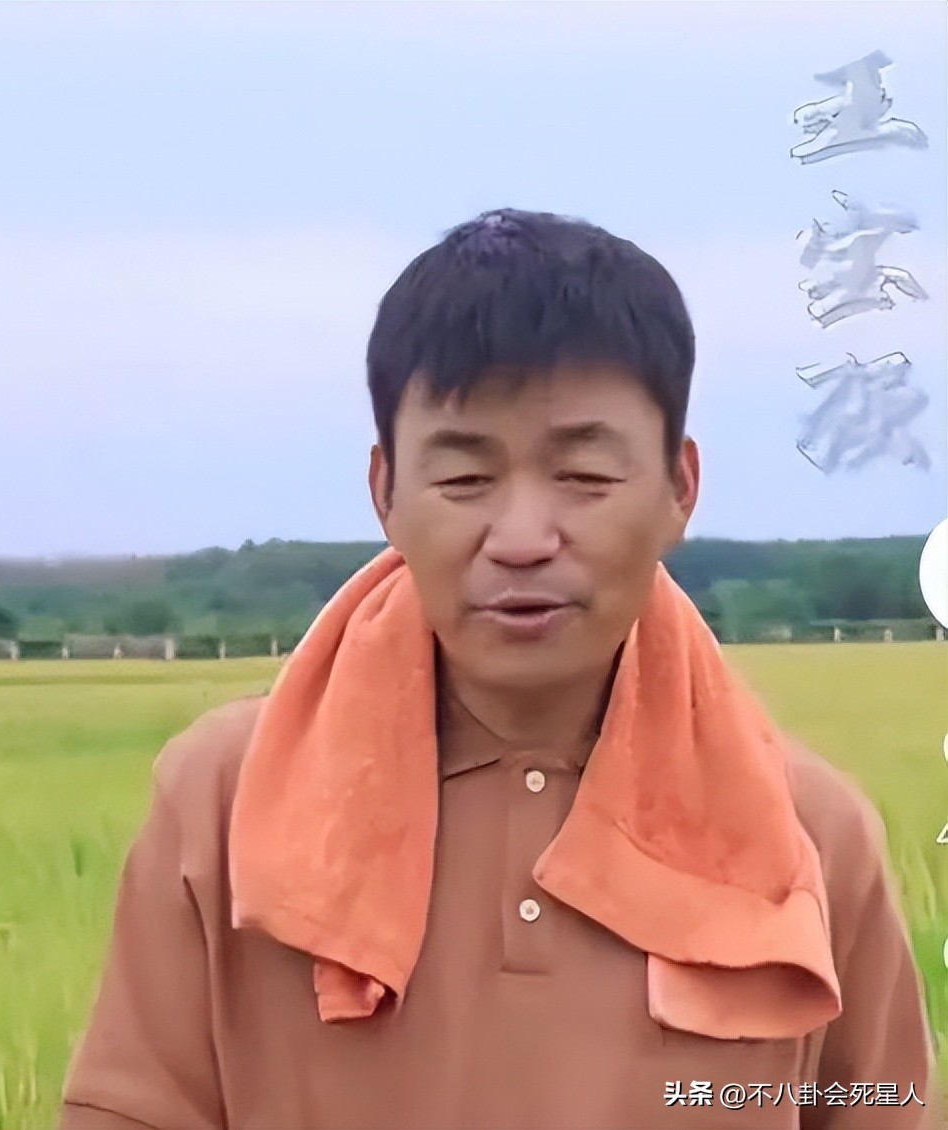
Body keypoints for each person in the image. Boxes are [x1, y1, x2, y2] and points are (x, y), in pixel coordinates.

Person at [59, 208, 942, 1129]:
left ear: (681, 487)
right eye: (464, 479)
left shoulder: (807, 838)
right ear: (385, 492)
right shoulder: (226, 802)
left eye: (585, 475)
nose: (522, 539)